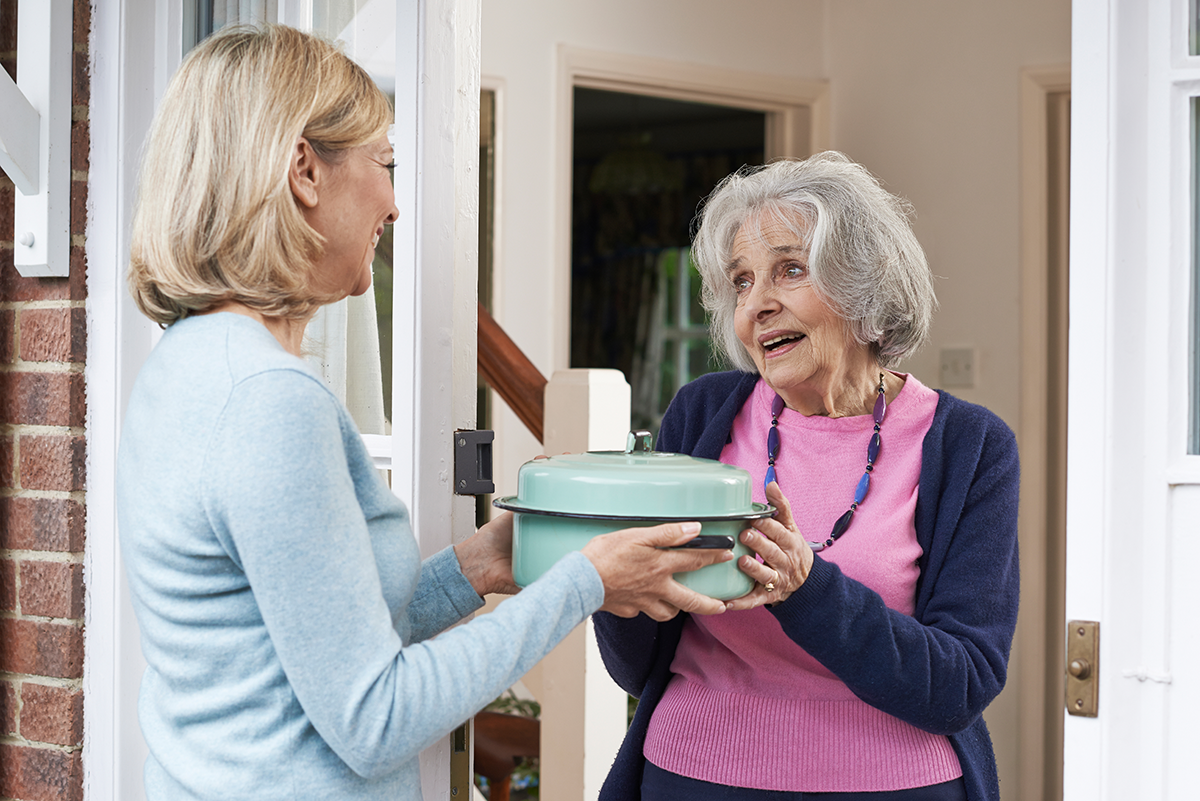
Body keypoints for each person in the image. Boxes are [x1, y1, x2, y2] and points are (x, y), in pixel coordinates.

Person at [115, 25, 731, 801]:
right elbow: (375, 716)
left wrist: (484, 565)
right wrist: (583, 581)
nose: (396, 204)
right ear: (304, 168)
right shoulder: (269, 403)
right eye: (386, 163)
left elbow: (319, 638)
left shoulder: (187, 361)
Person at [594, 152, 1020, 801]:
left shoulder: (969, 446)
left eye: (790, 270)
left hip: (894, 787)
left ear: (864, 283)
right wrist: (617, 588)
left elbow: (961, 682)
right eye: (741, 281)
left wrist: (807, 590)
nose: (757, 304)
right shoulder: (703, 413)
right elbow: (639, 665)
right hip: (693, 778)